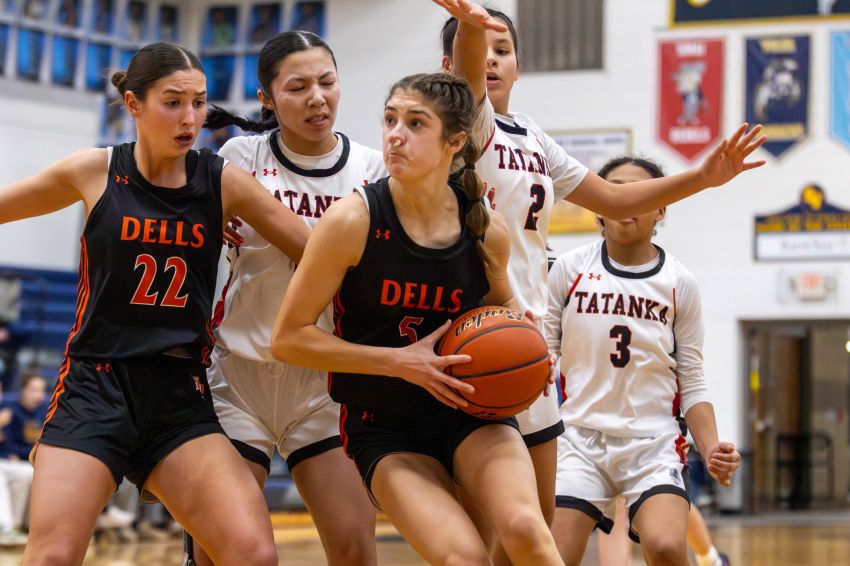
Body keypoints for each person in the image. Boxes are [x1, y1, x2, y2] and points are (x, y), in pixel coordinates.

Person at [436, 3, 763, 562]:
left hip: (530, 348)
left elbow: (612, 197)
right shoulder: (470, 126)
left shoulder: (533, 136)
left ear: (521, 64)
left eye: (504, 49)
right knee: (502, 536)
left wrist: (704, 178)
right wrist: (472, 22)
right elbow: (467, 81)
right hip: (481, 337)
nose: (492, 60)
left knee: (530, 541)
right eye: (482, 50)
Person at [0, 42, 310, 566]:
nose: (190, 118)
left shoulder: (220, 180)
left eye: (199, 102)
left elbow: (313, 249)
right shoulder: (94, 171)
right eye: (173, 102)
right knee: (50, 556)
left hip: (177, 395)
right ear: (133, 103)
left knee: (254, 554)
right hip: (96, 386)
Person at [272, 71, 563, 565]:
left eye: (414, 123)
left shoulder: (484, 228)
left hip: (474, 413)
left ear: (455, 140)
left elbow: (505, 309)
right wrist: (399, 362)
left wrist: (531, 349)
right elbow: (289, 339)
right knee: (463, 557)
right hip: (386, 426)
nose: (394, 135)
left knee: (526, 531)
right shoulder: (352, 221)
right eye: (389, 120)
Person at [186, 30, 384, 566]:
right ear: (267, 100)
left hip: (324, 385)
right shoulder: (239, 156)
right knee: (227, 552)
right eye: (298, 87)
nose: (317, 98)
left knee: (355, 548)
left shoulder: (372, 171)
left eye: (327, 82)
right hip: (239, 377)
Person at [543, 156, 742, 566]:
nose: (628, 200)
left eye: (640, 192)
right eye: (617, 189)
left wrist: (711, 448)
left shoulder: (678, 282)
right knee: (555, 555)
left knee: (667, 546)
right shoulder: (568, 270)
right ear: (600, 204)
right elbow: (542, 359)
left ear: (661, 207)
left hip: (653, 443)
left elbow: (693, 379)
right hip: (578, 438)